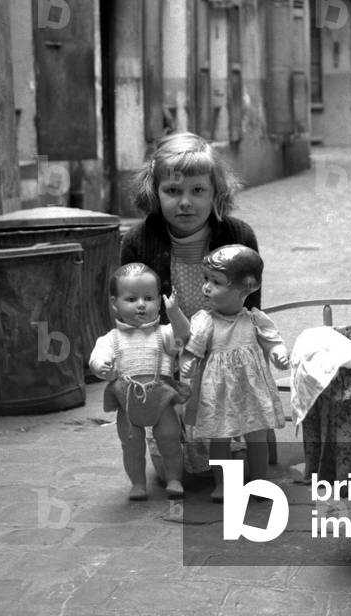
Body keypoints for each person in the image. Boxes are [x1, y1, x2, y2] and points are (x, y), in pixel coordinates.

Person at [180, 245, 289, 502]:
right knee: (220, 437)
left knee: (257, 434)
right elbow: (193, 349)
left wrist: (278, 352)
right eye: (206, 279)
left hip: (252, 390)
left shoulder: (254, 319)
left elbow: (273, 340)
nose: (206, 287)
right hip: (219, 392)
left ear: (247, 287)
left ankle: (259, 480)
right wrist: (189, 362)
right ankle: (223, 483)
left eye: (216, 282)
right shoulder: (205, 321)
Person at [121, 131, 261, 319]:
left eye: (197, 190)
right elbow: (130, 314)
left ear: (215, 192)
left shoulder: (240, 238)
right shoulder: (137, 242)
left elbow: (250, 314)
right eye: (172, 190)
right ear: (154, 192)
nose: (185, 202)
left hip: (227, 345)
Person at [89, 263, 191, 501]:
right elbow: (97, 357)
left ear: (158, 300)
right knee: (131, 445)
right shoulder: (111, 338)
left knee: (170, 439)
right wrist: (100, 365)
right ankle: (137, 483)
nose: (141, 304)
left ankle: (174, 479)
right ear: (115, 304)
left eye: (148, 297)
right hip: (128, 404)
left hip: (162, 401)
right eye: (131, 299)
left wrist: (174, 312)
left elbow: (184, 336)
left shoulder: (164, 333)